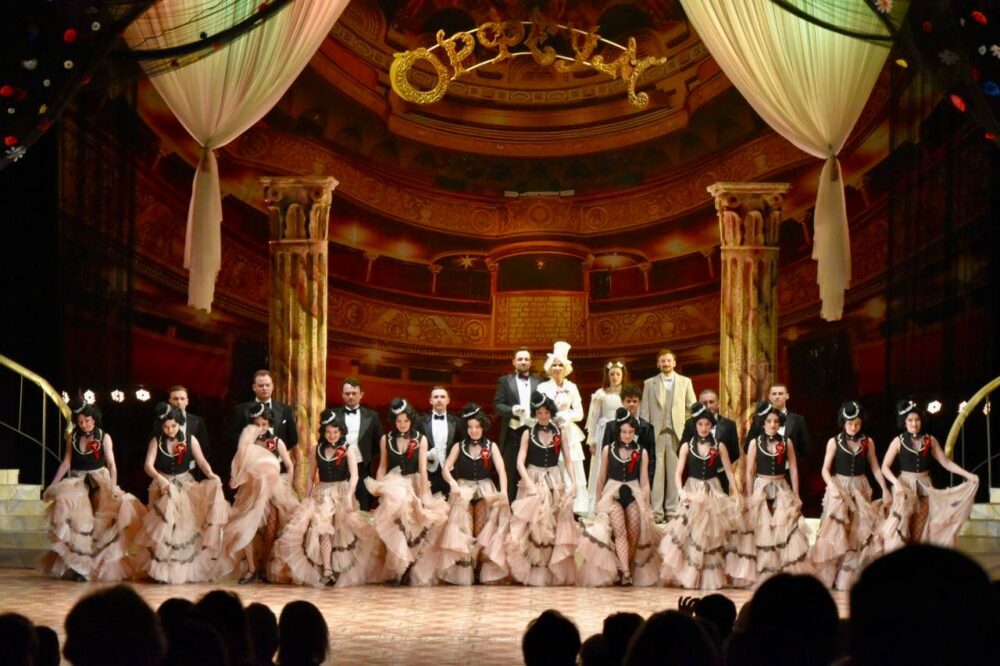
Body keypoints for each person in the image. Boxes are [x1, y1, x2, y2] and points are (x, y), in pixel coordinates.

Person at [40, 400, 143, 582]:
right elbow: (66, 463)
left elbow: (111, 464)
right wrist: (53, 484)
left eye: (87, 420)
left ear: (94, 419)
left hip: (100, 479)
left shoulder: (104, 437)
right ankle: (81, 568)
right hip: (79, 481)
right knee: (80, 521)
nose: (84, 424)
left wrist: (113, 487)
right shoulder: (73, 437)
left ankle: (99, 566)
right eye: (80, 421)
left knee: (102, 524)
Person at [271, 410, 376, 586]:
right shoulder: (316, 449)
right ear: (323, 432)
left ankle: (341, 569)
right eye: (328, 432)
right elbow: (311, 476)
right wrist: (307, 497)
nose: (332, 435)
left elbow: (355, 476)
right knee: (322, 527)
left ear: (341, 432)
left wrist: (349, 495)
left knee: (344, 531)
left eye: (335, 432)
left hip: (342, 491)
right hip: (323, 493)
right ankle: (327, 569)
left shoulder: (348, 449)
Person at [136, 402, 228, 583]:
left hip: (185, 484)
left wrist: (211, 474)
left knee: (183, 527)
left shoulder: (190, 439)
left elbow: (201, 461)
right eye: (166, 427)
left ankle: (180, 570)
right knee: (165, 526)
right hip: (163, 485)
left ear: (179, 424)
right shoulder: (156, 441)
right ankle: (161, 571)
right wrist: (160, 478)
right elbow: (148, 465)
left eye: (173, 426)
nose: (170, 430)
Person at [728, 402, 812, 586]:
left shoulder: (786, 442)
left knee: (784, 528)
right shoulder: (755, 443)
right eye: (769, 421)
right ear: (763, 423)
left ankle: (784, 571)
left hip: (781, 486)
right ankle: (763, 573)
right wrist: (751, 495)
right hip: (762, 486)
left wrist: (796, 495)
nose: (773, 424)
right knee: (762, 529)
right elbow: (750, 471)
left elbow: (794, 470)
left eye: (775, 421)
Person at [366, 398, 448, 585]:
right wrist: (379, 487)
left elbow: (422, 468)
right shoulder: (386, 439)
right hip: (394, 485)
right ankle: (397, 569)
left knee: (414, 527)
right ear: (394, 421)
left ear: (411, 420)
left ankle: (409, 568)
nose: (402, 424)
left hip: (413, 483)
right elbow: (383, 466)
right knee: (396, 526)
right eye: (398, 421)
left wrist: (424, 494)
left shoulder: (420, 439)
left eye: (406, 420)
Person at [879, 399, 978, 550]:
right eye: (910, 420)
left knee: (921, 529)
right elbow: (884, 467)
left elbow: (946, 463)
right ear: (904, 422)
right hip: (905, 488)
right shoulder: (898, 441)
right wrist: (896, 483)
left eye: (917, 419)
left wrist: (968, 475)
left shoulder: (930, 440)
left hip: (924, 486)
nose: (914, 423)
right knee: (901, 530)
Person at [810, 401, 890, 590]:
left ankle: (846, 576)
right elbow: (825, 469)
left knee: (857, 531)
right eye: (850, 423)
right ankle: (827, 574)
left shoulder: (868, 442)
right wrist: (832, 486)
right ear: (843, 423)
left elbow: (875, 467)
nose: (854, 427)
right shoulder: (834, 441)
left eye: (857, 424)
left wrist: (885, 488)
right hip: (840, 487)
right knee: (835, 530)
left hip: (860, 487)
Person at [660, 404, 741, 589]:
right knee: (691, 532)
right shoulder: (687, 446)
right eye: (700, 424)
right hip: (692, 490)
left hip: (712, 489)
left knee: (710, 533)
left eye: (707, 424)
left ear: (711, 426)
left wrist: (736, 494)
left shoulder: (719, 445)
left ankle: (708, 574)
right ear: (695, 425)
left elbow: (729, 471)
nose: (704, 428)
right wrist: (681, 491)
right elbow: (677, 472)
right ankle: (690, 573)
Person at [506, 392, 579, 585]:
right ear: (535, 414)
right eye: (539, 413)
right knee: (534, 525)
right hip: (534, 478)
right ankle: (533, 570)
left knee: (553, 525)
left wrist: (573, 482)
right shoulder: (527, 433)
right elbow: (519, 462)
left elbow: (568, 460)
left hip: (554, 479)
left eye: (546, 412)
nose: (543, 416)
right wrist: (529, 484)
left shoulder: (560, 432)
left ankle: (549, 569)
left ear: (551, 412)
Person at [577, 414, 659, 587]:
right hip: (612, 494)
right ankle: (626, 573)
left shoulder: (641, 452)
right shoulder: (608, 450)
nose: (627, 435)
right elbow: (601, 478)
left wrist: (646, 504)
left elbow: (645, 481)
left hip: (633, 493)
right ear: (619, 432)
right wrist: (597, 503)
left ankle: (622, 568)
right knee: (619, 529)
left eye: (630, 432)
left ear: (635, 432)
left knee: (634, 532)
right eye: (624, 432)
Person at [221, 402, 298, 584]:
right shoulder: (247, 444)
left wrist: (286, 483)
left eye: (264, 424)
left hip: (272, 490)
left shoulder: (276, 442)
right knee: (244, 527)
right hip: (251, 490)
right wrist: (236, 479)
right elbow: (240, 466)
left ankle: (264, 567)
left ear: (270, 424)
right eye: (257, 424)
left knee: (270, 530)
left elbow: (289, 465)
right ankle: (250, 568)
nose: (261, 428)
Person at [434, 403, 510, 584]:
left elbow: (501, 470)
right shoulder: (459, 446)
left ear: (483, 427)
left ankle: (480, 570)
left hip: (485, 490)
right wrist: (453, 483)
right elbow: (446, 469)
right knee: (465, 529)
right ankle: (466, 570)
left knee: (481, 530)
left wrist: (503, 491)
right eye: (470, 427)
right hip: (464, 490)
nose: (474, 430)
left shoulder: (491, 446)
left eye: (477, 427)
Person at [640, 349, 696, 521]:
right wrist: (646, 434)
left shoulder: (685, 382)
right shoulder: (649, 383)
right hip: (656, 433)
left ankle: (672, 511)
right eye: (663, 361)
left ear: (674, 362)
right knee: (656, 473)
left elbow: (692, 407)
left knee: (674, 472)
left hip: (676, 433)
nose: (666, 364)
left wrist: (685, 427)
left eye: (668, 360)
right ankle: (656, 512)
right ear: (658, 364)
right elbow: (645, 411)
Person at [537, 340, 588, 514]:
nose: (557, 368)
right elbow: (538, 411)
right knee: (552, 468)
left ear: (566, 368)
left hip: (568, 433)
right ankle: (553, 508)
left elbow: (580, 413)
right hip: (548, 431)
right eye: (554, 365)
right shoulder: (542, 387)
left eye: (560, 365)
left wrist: (566, 416)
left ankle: (573, 508)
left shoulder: (572, 387)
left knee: (571, 467)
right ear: (549, 367)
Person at [494, 347, 542, 503]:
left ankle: (529, 510)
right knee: (510, 473)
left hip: (534, 434)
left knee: (531, 473)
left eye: (526, 359)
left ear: (531, 362)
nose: (523, 362)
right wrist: (513, 410)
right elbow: (498, 405)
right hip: (512, 434)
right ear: (514, 362)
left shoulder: (539, 381)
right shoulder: (504, 381)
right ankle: (508, 510)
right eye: (520, 359)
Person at [333, 378, 382, 510]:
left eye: (354, 393)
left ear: (361, 395)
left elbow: (379, 443)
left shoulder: (372, 416)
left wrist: (367, 457)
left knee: (363, 505)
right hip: (339, 467)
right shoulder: (333, 415)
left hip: (363, 468)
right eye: (347, 393)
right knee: (339, 507)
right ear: (342, 395)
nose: (350, 396)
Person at [585, 359, 628, 513]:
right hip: (603, 432)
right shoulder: (601, 394)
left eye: (618, 374)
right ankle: (598, 505)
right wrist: (592, 440)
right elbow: (594, 417)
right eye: (612, 374)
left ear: (623, 375)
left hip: (621, 433)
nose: (615, 377)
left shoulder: (626, 393)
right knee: (601, 466)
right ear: (607, 376)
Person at [229, 370, 298, 451]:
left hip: (276, 457)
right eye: (261, 386)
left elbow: (293, 439)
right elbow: (232, 436)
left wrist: (277, 451)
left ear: (272, 386)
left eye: (267, 385)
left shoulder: (285, 410)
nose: (264, 388)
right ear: (254, 387)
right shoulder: (241, 410)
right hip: (250, 456)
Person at [744, 384, 811, 461]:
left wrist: (790, 459)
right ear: (769, 397)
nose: (777, 396)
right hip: (764, 467)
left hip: (789, 467)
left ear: (787, 396)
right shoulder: (758, 419)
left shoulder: (798, 420)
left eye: (780, 393)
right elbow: (747, 448)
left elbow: (806, 449)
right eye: (774, 394)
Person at [602, 385, 656, 479]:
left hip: (639, 480)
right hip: (615, 479)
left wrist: (648, 482)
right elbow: (605, 457)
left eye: (635, 401)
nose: (631, 404)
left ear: (640, 402)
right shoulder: (611, 427)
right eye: (628, 401)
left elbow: (651, 459)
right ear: (622, 402)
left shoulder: (648, 428)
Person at [422, 386, 466, 496]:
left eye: (442, 397)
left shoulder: (458, 422)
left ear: (448, 400)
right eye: (436, 397)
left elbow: (463, 447)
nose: (439, 399)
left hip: (451, 472)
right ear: (430, 400)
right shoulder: (420, 422)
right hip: (427, 472)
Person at [681, 389, 739, 462]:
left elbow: (735, 453)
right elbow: (681, 450)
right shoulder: (690, 424)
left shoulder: (729, 425)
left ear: (718, 404)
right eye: (704, 403)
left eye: (711, 402)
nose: (708, 406)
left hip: (722, 468)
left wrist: (720, 464)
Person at [168, 385, 212, 473]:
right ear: (170, 401)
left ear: (187, 401)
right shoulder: (160, 421)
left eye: (182, 399)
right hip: (165, 469)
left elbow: (205, 448)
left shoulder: (198, 421)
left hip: (190, 470)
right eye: (175, 399)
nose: (179, 402)